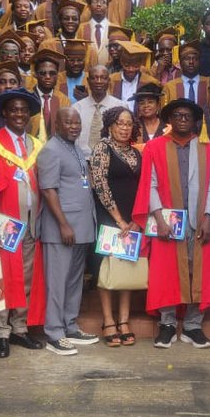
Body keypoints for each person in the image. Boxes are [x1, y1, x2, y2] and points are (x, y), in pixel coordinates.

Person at [133, 98, 210, 349]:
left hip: (196, 220)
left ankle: (193, 326)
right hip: (168, 222)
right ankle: (167, 324)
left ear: (194, 121)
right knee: (166, 272)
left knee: (196, 271)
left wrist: (208, 217)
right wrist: (159, 218)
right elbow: (150, 184)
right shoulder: (155, 147)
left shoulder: (206, 148)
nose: (182, 119)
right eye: (177, 115)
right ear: (169, 120)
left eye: (187, 116)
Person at [0, 89, 48, 353]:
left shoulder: (36, 145)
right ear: (5, 113)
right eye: (14, 109)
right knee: (2, 276)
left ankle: (19, 328)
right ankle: (1, 331)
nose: (19, 114)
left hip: (32, 222)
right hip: (5, 223)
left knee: (26, 276)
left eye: (24, 110)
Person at [37, 108, 99, 355]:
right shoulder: (51, 150)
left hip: (81, 227)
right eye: (68, 122)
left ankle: (70, 325)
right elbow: (49, 190)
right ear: (57, 125)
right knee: (57, 282)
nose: (74, 126)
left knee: (74, 281)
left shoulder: (73, 147)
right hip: (61, 229)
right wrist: (63, 224)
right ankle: (54, 332)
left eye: (77, 122)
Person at [88, 106, 143, 347]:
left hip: (132, 219)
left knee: (126, 267)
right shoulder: (102, 148)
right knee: (107, 267)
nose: (124, 127)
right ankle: (108, 320)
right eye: (119, 123)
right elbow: (100, 185)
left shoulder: (136, 153)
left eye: (128, 123)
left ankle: (124, 320)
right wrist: (119, 219)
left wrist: (135, 220)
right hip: (110, 217)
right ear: (110, 125)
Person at [72, 64, 128, 157]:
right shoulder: (76, 109)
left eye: (103, 78)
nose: (98, 81)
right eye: (94, 78)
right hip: (82, 161)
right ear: (88, 81)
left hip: (112, 160)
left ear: (109, 81)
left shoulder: (121, 108)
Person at [29, 47, 69, 140]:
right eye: (43, 73)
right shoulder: (28, 97)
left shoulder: (63, 100)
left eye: (52, 73)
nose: (47, 77)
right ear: (35, 74)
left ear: (57, 75)